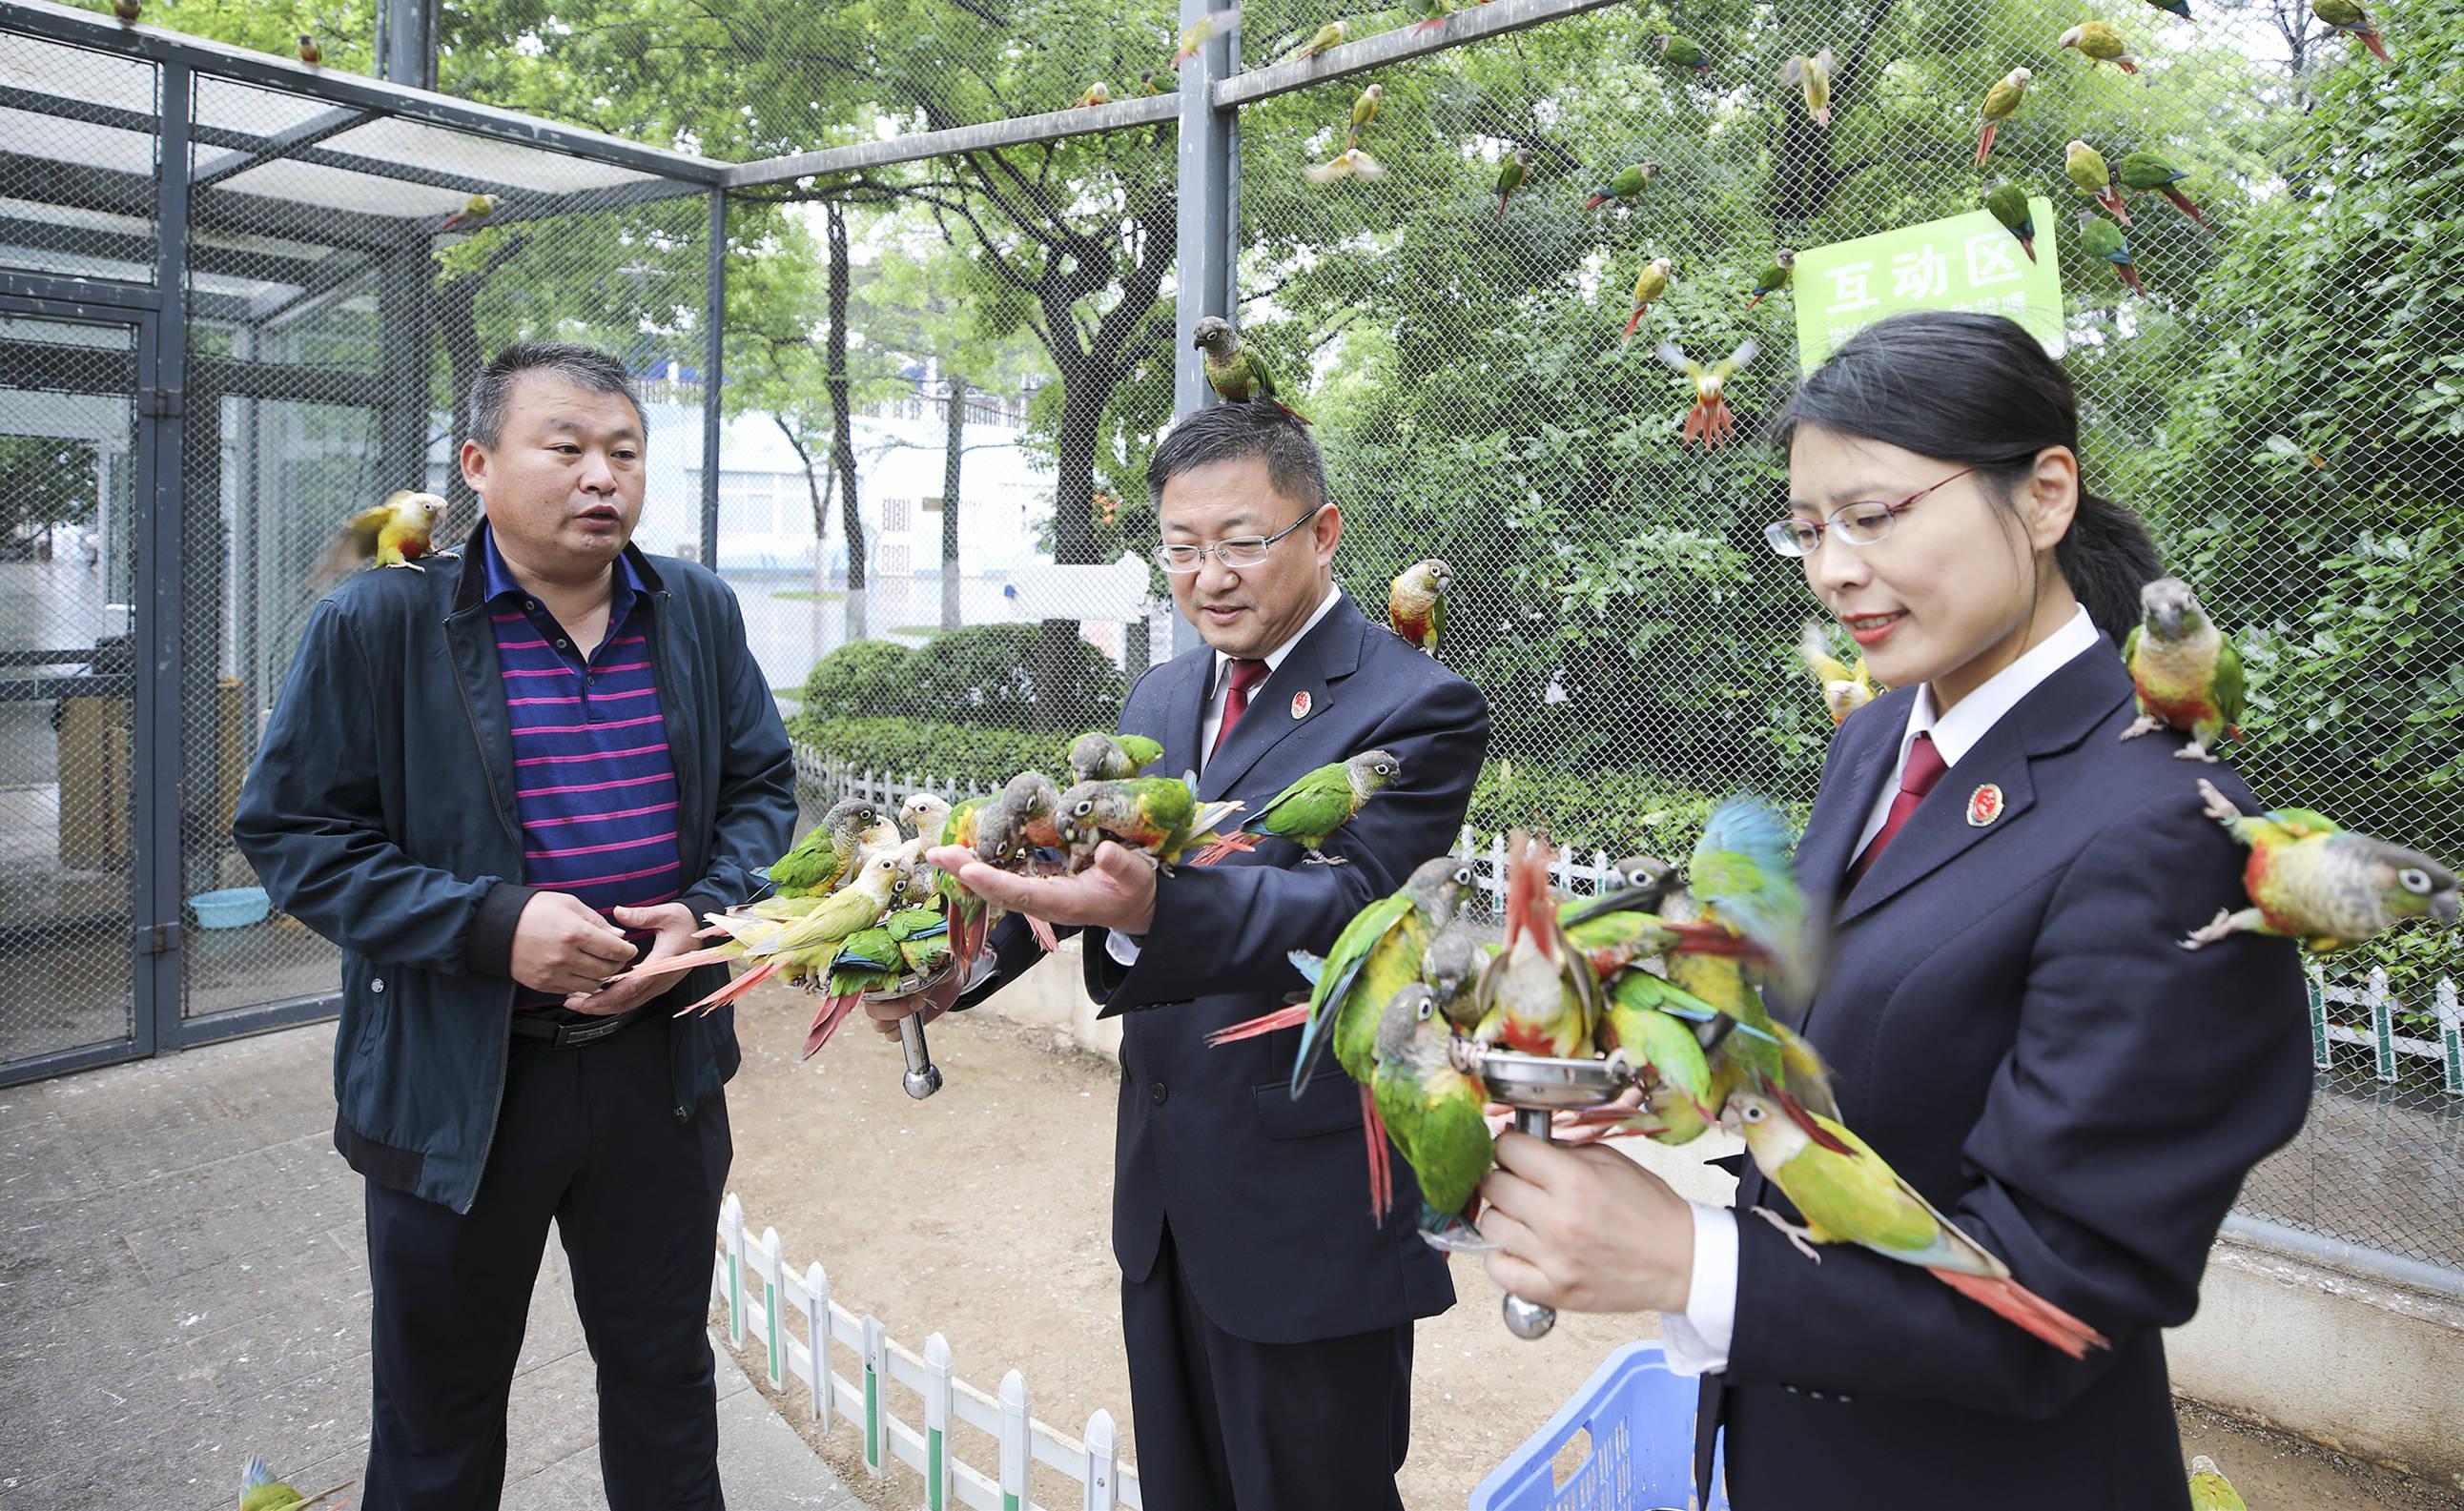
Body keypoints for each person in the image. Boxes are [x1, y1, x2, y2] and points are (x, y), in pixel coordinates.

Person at [1471, 311, 2312, 1509]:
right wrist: (1674, 1076)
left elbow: (2057, 1300)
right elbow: (1861, 1040)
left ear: (2044, 495)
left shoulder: (2165, 827)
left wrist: (1688, 1258)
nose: (1832, 570)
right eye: (1808, 530)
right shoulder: (1876, 739)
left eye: (1875, 516)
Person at [869, 400, 1489, 1511]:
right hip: (1164, 1189)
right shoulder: (1163, 690)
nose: (1209, 576)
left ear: (1325, 532)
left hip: (1309, 1205)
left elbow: (1343, 902)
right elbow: (1091, 870)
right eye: (1182, 547)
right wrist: (965, 964)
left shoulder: (1417, 704)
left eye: (1242, 541)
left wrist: (1156, 904)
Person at [235, 341, 796, 1511]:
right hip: (458, 1086)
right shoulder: (380, 624)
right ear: (478, 466)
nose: (604, 477)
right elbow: (293, 834)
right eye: (569, 448)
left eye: (625, 453)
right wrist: (493, 926)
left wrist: (700, 913)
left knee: (664, 1378)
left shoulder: (694, 609)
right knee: (437, 1417)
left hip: (661, 1068)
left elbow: (761, 792)